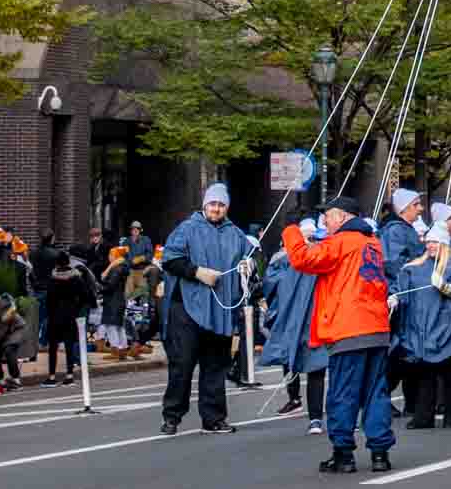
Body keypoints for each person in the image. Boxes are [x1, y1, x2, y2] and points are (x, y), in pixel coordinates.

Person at [282, 196, 394, 475]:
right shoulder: (372, 243)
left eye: (328, 216)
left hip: (348, 329)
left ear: (343, 217)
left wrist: (291, 229)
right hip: (376, 328)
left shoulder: (342, 242)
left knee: (343, 394)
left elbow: (302, 258)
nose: (325, 221)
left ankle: (343, 454)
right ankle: (380, 453)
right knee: (375, 393)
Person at [159, 183, 254, 437]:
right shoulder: (187, 229)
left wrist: (249, 268)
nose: (216, 208)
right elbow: (170, 260)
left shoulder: (236, 234)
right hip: (188, 307)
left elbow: (252, 261)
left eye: (221, 205)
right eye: (212, 204)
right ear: (204, 205)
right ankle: (172, 416)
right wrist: (196, 272)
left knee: (216, 366)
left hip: (221, 311)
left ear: (227, 207)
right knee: (182, 364)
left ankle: (213, 418)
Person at [393, 220, 451, 429]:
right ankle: (423, 416)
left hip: (450, 327)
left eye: (435, 242)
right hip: (422, 326)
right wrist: (394, 297)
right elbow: (401, 288)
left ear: (444, 244)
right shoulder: (414, 268)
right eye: (429, 242)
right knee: (425, 373)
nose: (430, 246)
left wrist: (450, 289)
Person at [264, 218, 331, 434]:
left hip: (319, 321)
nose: (312, 242)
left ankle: (316, 418)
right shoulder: (286, 260)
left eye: (315, 238)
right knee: (290, 360)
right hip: (295, 320)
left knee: (317, 369)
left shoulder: (326, 258)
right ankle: (295, 398)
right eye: (309, 238)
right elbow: (272, 284)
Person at [42, 246, 97, 386]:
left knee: (53, 346)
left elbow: (48, 299)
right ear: (68, 262)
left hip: (54, 315)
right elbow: (85, 296)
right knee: (68, 345)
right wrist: (77, 308)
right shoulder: (75, 278)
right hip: (70, 313)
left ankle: (52, 376)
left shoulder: (52, 278)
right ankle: (69, 374)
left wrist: (49, 312)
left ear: (57, 263)